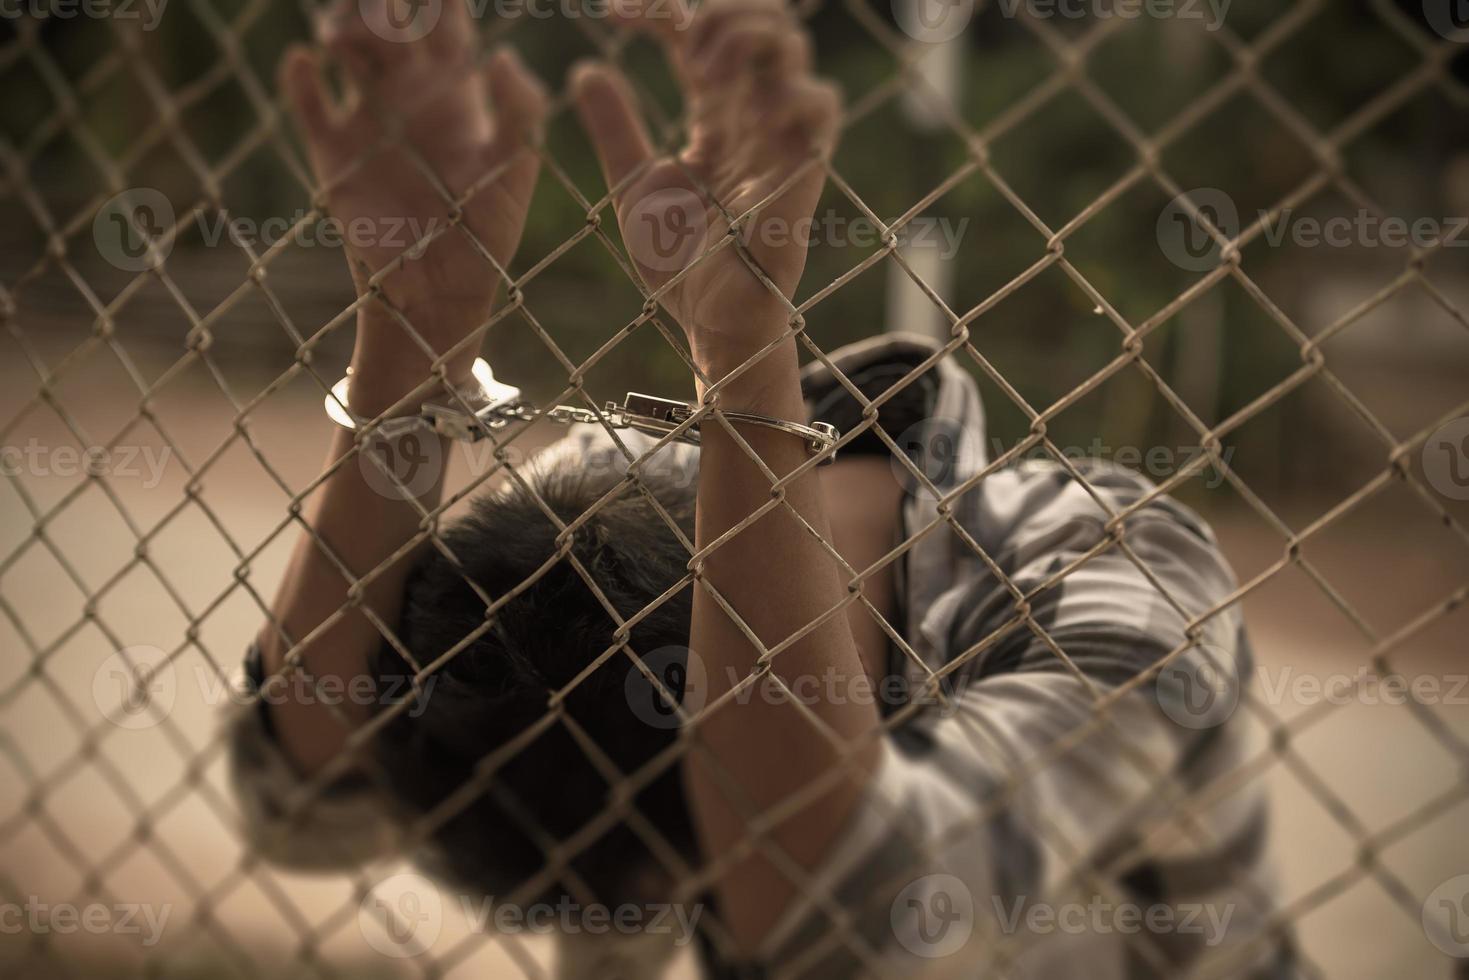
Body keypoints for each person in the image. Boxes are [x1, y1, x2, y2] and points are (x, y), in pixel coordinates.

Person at [231, 0, 1292, 976]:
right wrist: (409, 345)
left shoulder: (1108, 567)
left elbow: (850, 912)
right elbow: (302, 803)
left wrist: (742, 351)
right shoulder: (605, 512)